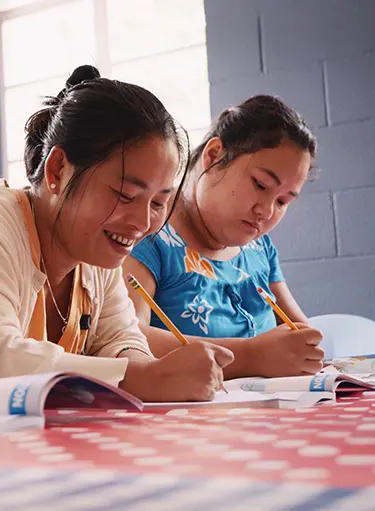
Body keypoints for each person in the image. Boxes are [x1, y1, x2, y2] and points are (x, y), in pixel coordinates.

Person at [0, 65, 234, 403]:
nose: (142, 223)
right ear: (58, 170)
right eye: (125, 195)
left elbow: (120, 340)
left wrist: (156, 373)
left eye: (158, 203)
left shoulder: (96, 255)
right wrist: (145, 379)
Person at [123, 95, 324, 379]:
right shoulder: (148, 233)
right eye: (260, 184)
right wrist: (251, 356)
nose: (266, 211)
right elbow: (126, 338)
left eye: (282, 202)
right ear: (214, 155)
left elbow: (304, 336)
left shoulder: (258, 249)